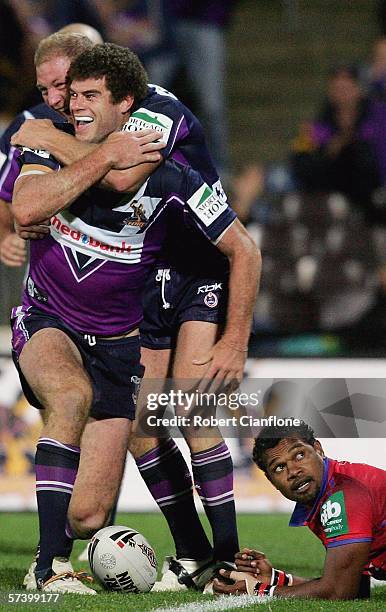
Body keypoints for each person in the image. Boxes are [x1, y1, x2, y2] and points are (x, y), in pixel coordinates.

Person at [13, 39, 262, 594]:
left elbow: (126, 178)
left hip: (195, 268)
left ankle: (223, 561)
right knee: (142, 432)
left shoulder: (159, 131)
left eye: (80, 92)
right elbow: (25, 206)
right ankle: (187, 552)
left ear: (125, 100)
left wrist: (236, 342)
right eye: (57, 92)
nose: (64, 103)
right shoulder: (47, 138)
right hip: (116, 297)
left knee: (191, 411)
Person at [213, 421, 386, 600]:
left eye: (299, 455)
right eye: (279, 467)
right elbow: (353, 584)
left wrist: (258, 590)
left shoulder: (344, 494)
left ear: (318, 449)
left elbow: (339, 590)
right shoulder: (326, 492)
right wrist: (275, 579)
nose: (293, 471)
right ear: (272, 481)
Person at [0, 24, 103, 268]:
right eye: (46, 89)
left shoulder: (135, 115)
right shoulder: (29, 125)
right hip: (54, 265)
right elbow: (4, 192)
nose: (55, 98)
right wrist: (5, 235)